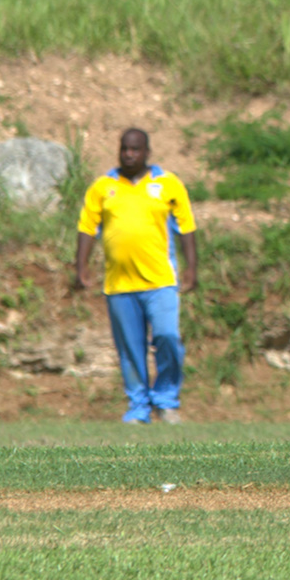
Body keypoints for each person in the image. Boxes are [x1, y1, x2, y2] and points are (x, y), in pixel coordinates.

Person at [75, 128, 199, 424]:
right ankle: (138, 407)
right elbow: (87, 228)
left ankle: (167, 400)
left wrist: (193, 267)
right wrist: (80, 267)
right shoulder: (103, 187)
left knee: (168, 336)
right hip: (119, 284)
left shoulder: (168, 184)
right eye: (124, 149)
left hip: (161, 282)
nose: (129, 154)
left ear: (147, 152)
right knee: (130, 349)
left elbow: (186, 227)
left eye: (135, 149)